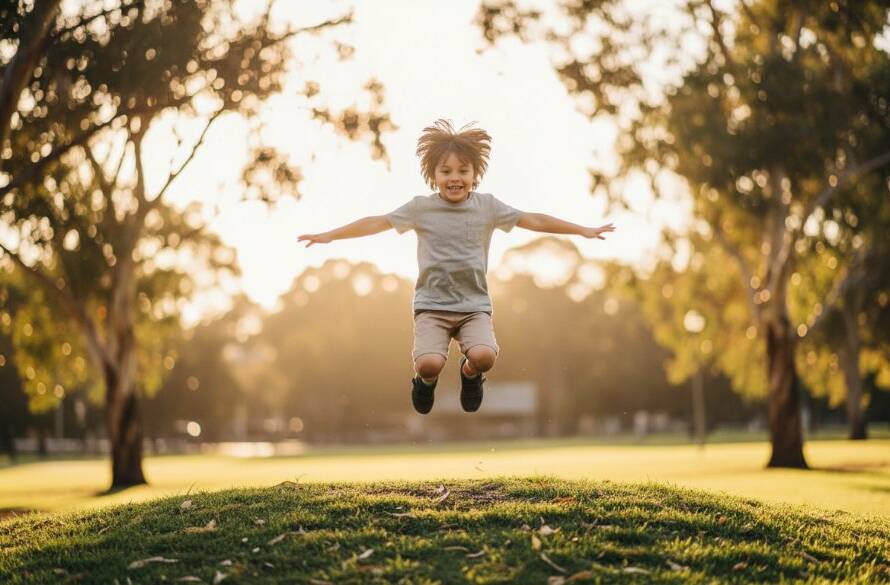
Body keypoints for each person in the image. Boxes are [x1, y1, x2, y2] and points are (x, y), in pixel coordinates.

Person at [298, 119, 615, 414]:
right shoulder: (420, 209)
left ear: (475, 174)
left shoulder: (487, 207)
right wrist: (330, 236)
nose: (454, 178)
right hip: (431, 307)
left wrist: (582, 229)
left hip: (473, 306)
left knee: (484, 356)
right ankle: (425, 384)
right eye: (446, 171)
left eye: (463, 171)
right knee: (429, 364)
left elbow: (533, 219)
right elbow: (376, 222)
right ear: (432, 175)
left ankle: (470, 374)